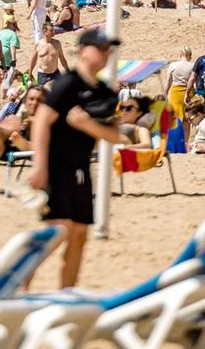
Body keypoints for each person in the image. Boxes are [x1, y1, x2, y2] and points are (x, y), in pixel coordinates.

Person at [28, 28, 133, 288]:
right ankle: (21, 280)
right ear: (84, 51)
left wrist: (88, 126)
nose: (107, 54)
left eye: (109, 49)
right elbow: (42, 121)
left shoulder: (105, 92)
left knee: (79, 235)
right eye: (102, 48)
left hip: (81, 168)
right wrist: (39, 165)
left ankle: (67, 292)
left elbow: (116, 136)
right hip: (57, 165)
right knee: (59, 229)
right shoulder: (68, 83)